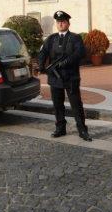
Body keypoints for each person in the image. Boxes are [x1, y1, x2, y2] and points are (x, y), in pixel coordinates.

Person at [37, 10, 91, 141]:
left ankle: (82, 130)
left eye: (63, 22)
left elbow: (80, 53)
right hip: (55, 77)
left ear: (68, 23)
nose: (60, 24)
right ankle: (60, 128)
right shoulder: (51, 38)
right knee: (57, 105)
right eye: (58, 22)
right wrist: (41, 65)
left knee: (76, 105)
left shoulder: (75, 38)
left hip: (70, 77)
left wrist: (67, 62)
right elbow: (43, 52)